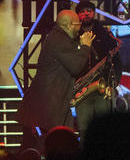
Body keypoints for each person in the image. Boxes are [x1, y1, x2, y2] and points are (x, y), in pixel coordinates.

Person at [17, 9, 93, 139]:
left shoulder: (60, 38)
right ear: (69, 25)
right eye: (77, 24)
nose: (80, 27)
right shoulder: (58, 40)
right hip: (49, 103)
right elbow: (75, 67)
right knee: (52, 143)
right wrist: (85, 47)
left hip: (55, 101)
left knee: (63, 141)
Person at [73, 1, 120, 137]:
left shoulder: (104, 34)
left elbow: (116, 61)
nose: (86, 13)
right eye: (82, 11)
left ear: (94, 13)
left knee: (104, 130)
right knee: (84, 131)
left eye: (89, 10)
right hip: (81, 92)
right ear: (77, 15)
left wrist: (113, 84)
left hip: (102, 89)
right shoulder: (73, 35)